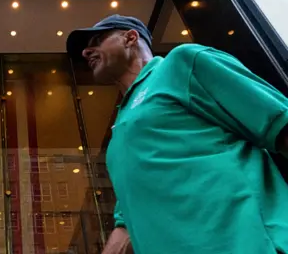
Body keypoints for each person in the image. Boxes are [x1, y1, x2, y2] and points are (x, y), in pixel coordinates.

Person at [66, 15, 288, 254]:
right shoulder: (122, 128)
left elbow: (280, 124)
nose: (86, 52)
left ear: (130, 38)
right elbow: (126, 228)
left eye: (97, 40)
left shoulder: (182, 63)